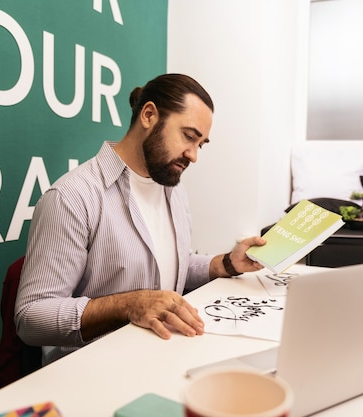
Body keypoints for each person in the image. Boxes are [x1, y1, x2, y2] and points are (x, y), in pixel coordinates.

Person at [15, 73, 266, 364]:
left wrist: (226, 263)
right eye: (188, 136)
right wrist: (129, 305)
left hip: (161, 358)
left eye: (201, 144)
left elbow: (175, 265)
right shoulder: (72, 197)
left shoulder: (173, 189)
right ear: (148, 115)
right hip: (92, 372)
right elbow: (31, 318)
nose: (194, 155)